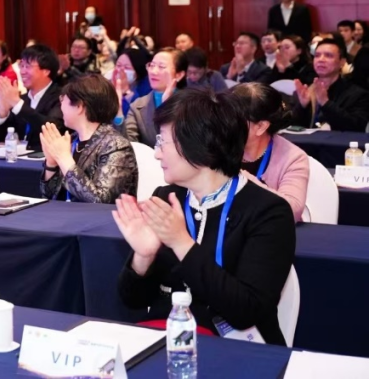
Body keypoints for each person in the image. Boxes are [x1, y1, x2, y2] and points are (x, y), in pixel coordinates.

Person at [113, 89, 295, 346]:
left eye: (162, 142)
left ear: (199, 144)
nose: (157, 153)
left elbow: (247, 311)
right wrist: (143, 257)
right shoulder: (166, 197)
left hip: (237, 350)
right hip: (169, 341)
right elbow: (132, 301)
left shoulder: (268, 212)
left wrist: (181, 242)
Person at [39, 74, 137, 203]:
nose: (61, 105)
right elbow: (48, 196)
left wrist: (64, 159)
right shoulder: (72, 140)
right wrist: (51, 164)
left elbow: (100, 201)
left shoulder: (116, 145)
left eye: (64, 100)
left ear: (79, 106)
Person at [229, 83, 309, 220]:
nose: (225, 123)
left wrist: (243, 180)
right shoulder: (219, 146)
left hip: (270, 229)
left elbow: (292, 209)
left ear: (261, 126)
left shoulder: (293, 158)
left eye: (234, 119)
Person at [0, 44, 64, 152]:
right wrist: (3, 111)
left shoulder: (62, 97)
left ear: (46, 71)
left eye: (28, 66)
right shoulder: (22, 99)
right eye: (21, 66)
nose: (22, 71)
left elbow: (52, 128)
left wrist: (17, 104)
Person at [290, 38, 369, 132]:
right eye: (317, 55)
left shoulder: (357, 95)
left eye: (328, 55)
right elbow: (291, 128)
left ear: (342, 62)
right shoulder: (305, 91)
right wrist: (302, 107)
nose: (321, 60)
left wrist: (326, 103)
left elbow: (357, 127)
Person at [124, 48, 186, 147]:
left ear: (179, 75)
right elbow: (129, 145)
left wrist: (167, 107)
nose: (153, 71)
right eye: (151, 65)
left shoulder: (191, 105)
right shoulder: (137, 106)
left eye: (161, 67)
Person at [112, 48, 152, 126]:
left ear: (137, 70)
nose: (121, 70)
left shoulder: (146, 89)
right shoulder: (110, 84)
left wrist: (127, 93)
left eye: (127, 67)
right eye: (118, 65)